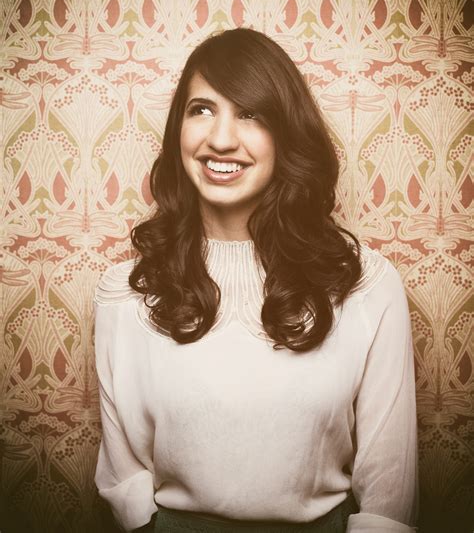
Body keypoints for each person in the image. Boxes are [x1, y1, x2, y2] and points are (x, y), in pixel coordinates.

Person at [93, 28, 418, 533]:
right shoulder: (126, 294)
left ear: (287, 134)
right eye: (202, 109)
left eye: (250, 114)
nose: (221, 139)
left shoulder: (366, 286)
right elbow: (125, 477)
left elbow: (388, 498)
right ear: (178, 129)